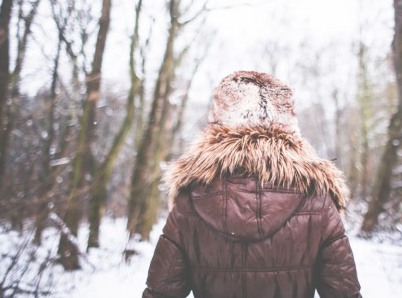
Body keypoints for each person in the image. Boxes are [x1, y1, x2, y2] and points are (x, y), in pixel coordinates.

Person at [142, 71, 362, 298]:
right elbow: (344, 292)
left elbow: (161, 292)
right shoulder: (317, 199)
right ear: (289, 128)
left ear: (218, 124)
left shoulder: (192, 197)